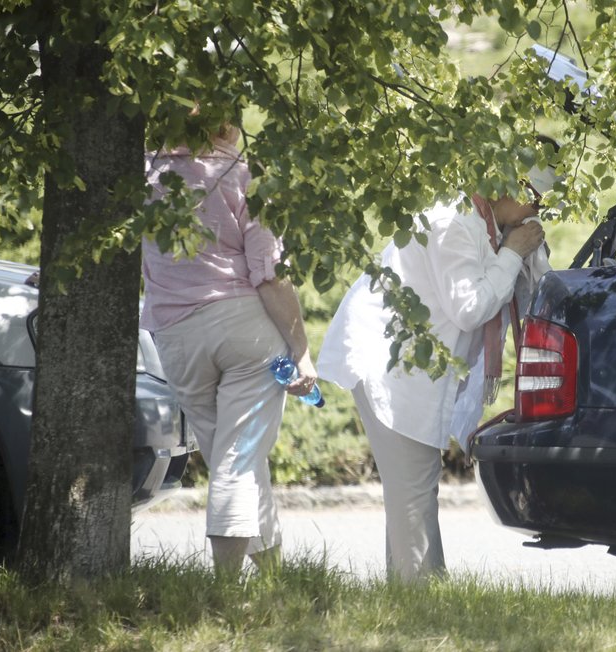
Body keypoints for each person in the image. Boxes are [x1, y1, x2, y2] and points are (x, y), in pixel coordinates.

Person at [317, 155, 561, 581]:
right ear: (516, 190)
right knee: (413, 491)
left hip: (411, 364)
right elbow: (470, 309)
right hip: (388, 362)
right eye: (536, 202)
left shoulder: (481, 222)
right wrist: (511, 253)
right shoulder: (456, 221)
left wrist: (514, 252)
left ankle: (411, 592)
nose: (537, 214)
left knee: (412, 489)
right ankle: (422, 595)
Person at [140, 123, 318, 574]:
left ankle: (275, 578)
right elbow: (269, 273)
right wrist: (300, 350)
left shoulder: (144, 172)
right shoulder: (242, 173)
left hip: (176, 336)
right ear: (226, 120)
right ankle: (223, 594)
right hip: (246, 330)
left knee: (231, 458)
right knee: (238, 461)